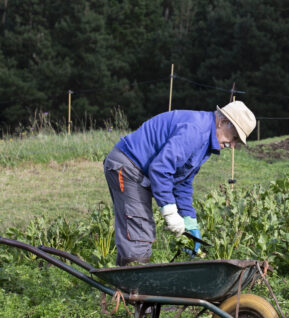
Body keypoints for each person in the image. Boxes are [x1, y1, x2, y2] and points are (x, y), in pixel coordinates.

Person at [103, 101, 256, 266]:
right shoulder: (196, 132)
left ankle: (122, 284)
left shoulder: (205, 140)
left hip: (138, 170)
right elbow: (161, 169)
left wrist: (189, 220)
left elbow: (182, 182)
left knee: (137, 230)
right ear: (223, 122)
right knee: (139, 230)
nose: (232, 145)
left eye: (237, 142)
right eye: (234, 137)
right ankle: (133, 287)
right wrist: (170, 212)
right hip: (127, 166)